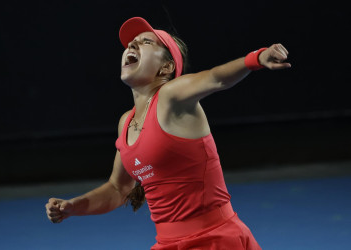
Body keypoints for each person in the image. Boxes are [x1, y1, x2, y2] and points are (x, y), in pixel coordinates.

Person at [45, 16, 291, 249]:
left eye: (146, 42)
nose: (132, 44)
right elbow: (119, 189)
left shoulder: (171, 96)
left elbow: (215, 78)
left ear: (166, 67)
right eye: (132, 43)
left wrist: (257, 58)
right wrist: (72, 207)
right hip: (168, 244)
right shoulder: (126, 123)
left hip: (215, 239)